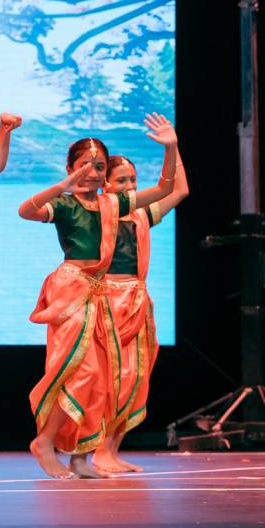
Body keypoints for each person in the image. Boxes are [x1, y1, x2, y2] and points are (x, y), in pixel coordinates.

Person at [17, 115, 177, 479]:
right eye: (84, 166)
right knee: (82, 370)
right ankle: (44, 442)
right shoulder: (65, 205)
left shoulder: (112, 205)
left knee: (101, 380)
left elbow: (164, 188)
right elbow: (25, 211)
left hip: (98, 293)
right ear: (70, 168)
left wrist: (170, 148)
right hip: (71, 290)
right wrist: (62, 186)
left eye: (99, 167)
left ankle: (79, 457)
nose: (91, 173)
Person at [91, 146, 188, 473]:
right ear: (105, 184)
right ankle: (98, 451)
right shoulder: (98, 214)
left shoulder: (142, 216)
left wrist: (172, 147)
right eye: (122, 180)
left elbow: (180, 190)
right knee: (111, 379)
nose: (130, 186)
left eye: (133, 179)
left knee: (135, 378)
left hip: (136, 303)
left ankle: (111, 450)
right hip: (108, 302)